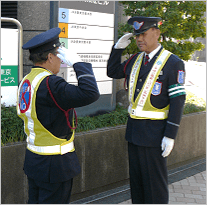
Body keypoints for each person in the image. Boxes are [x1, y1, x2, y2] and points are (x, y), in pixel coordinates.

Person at [107, 17, 186, 204]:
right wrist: (117, 49)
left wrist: (171, 135)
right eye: (136, 36)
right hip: (134, 132)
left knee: (154, 186)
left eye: (143, 34)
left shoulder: (173, 63)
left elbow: (178, 100)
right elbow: (113, 72)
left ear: (156, 33)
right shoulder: (135, 59)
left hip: (155, 134)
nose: (139, 39)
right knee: (138, 184)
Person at [16, 27, 100, 204]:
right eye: (58, 55)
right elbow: (90, 93)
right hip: (55, 165)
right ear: (50, 57)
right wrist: (79, 64)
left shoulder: (27, 81)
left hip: (34, 160)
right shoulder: (51, 83)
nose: (61, 60)